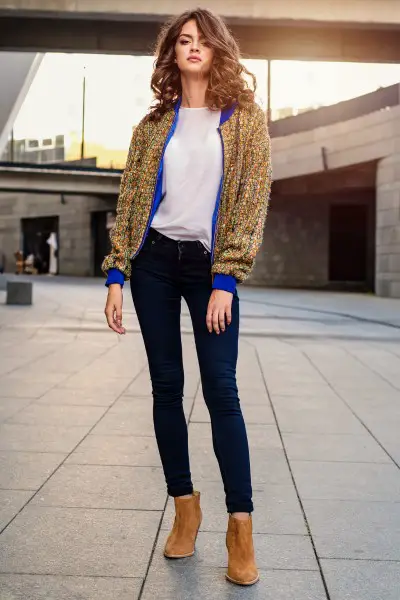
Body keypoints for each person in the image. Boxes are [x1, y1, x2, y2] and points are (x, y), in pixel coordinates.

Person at [103, 8, 271, 586]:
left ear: (218, 49)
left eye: (201, 39)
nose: (192, 47)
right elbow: (129, 202)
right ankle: (184, 507)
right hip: (153, 263)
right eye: (183, 40)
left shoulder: (245, 121)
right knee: (166, 389)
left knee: (223, 390)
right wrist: (117, 274)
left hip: (208, 268)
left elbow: (251, 200)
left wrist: (226, 278)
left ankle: (240, 528)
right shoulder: (153, 126)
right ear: (172, 54)